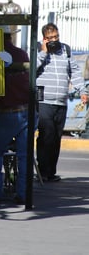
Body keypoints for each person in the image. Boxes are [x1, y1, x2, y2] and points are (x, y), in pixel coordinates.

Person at [36, 23, 88, 182]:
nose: (54, 40)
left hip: (61, 101)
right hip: (44, 100)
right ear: (44, 38)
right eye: (50, 38)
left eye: (56, 37)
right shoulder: (38, 49)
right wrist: (43, 52)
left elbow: (75, 72)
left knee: (56, 137)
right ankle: (43, 172)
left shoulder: (65, 50)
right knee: (46, 135)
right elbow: (32, 69)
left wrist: (83, 91)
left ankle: (51, 172)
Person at [0, 26, 30, 204]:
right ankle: (23, 193)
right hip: (26, 111)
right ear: (10, 36)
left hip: (7, 113)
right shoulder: (22, 54)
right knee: (24, 156)